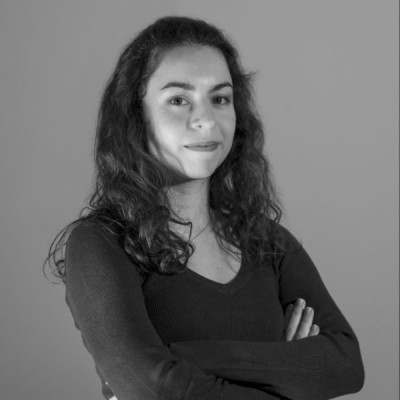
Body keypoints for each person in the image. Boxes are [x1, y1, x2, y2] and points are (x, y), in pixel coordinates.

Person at [45, 16, 364, 400]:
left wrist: (184, 358)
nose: (205, 120)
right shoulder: (100, 243)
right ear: (136, 115)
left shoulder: (269, 243)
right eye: (178, 100)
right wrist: (288, 367)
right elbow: (153, 387)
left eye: (220, 98)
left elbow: (346, 365)